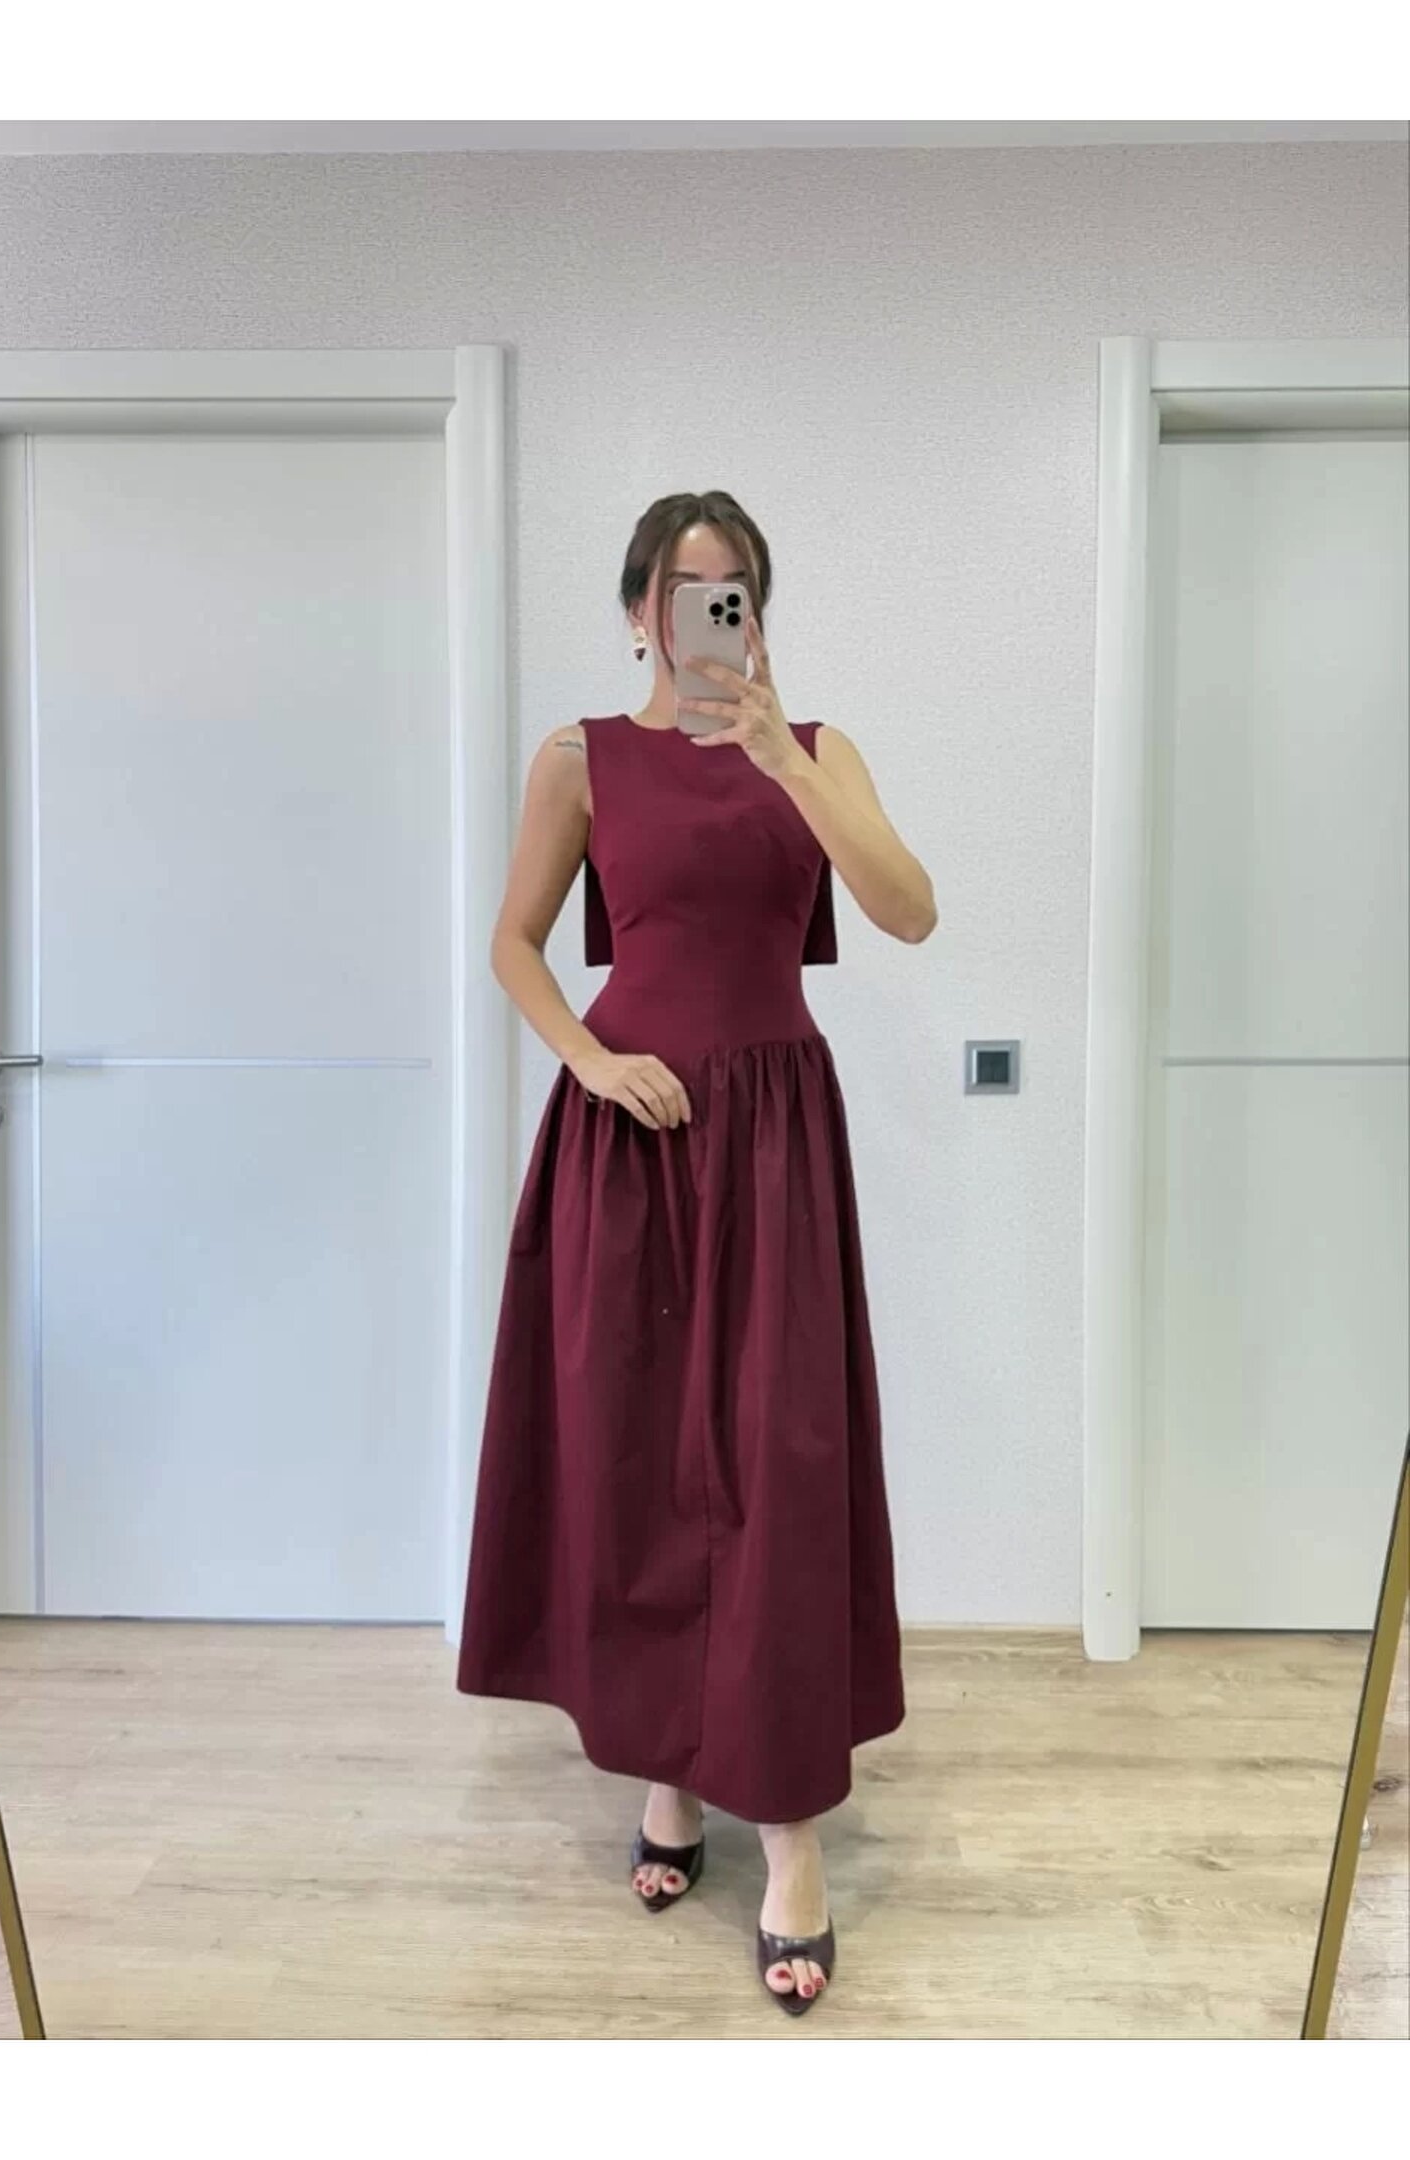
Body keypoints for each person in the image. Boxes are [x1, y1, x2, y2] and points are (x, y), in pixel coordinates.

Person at [456, 490, 938, 2015]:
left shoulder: (819, 751)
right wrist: (592, 1065)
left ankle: (788, 1832)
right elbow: (515, 942)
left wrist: (786, 758)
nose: (711, 610)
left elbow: (911, 914)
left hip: (778, 1143)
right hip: (632, 1144)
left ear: (760, 613)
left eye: (737, 588)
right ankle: (669, 1770)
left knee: (778, 1472)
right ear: (639, 610)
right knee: (644, 1467)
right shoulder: (580, 759)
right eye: (685, 587)